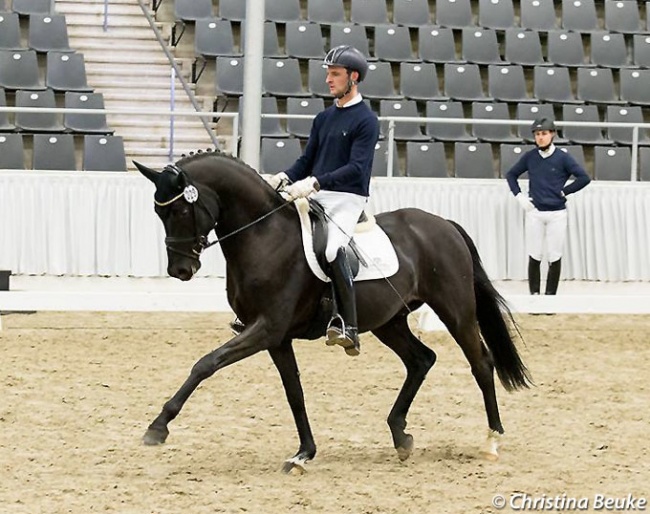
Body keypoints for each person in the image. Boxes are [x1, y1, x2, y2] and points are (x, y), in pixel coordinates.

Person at [263, 45, 380, 357]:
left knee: (331, 248)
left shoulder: (366, 121)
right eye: (328, 73)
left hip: (347, 197)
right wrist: (282, 177)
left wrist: (315, 182)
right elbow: (307, 160)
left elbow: (356, 168)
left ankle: (349, 326)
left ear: (353, 77)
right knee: (280, 233)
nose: (328, 79)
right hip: (317, 191)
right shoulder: (324, 118)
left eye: (335, 74)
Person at [506, 118, 591, 297]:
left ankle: (550, 296)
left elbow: (584, 177)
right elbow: (511, 174)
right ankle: (535, 295)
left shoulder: (563, 158)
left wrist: (565, 191)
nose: (540, 138)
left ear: (552, 134)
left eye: (544, 134)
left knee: (554, 255)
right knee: (534, 254)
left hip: (557, 214)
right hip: (535, 212)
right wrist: (519, 196)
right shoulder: (530, 157)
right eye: (537, 134)